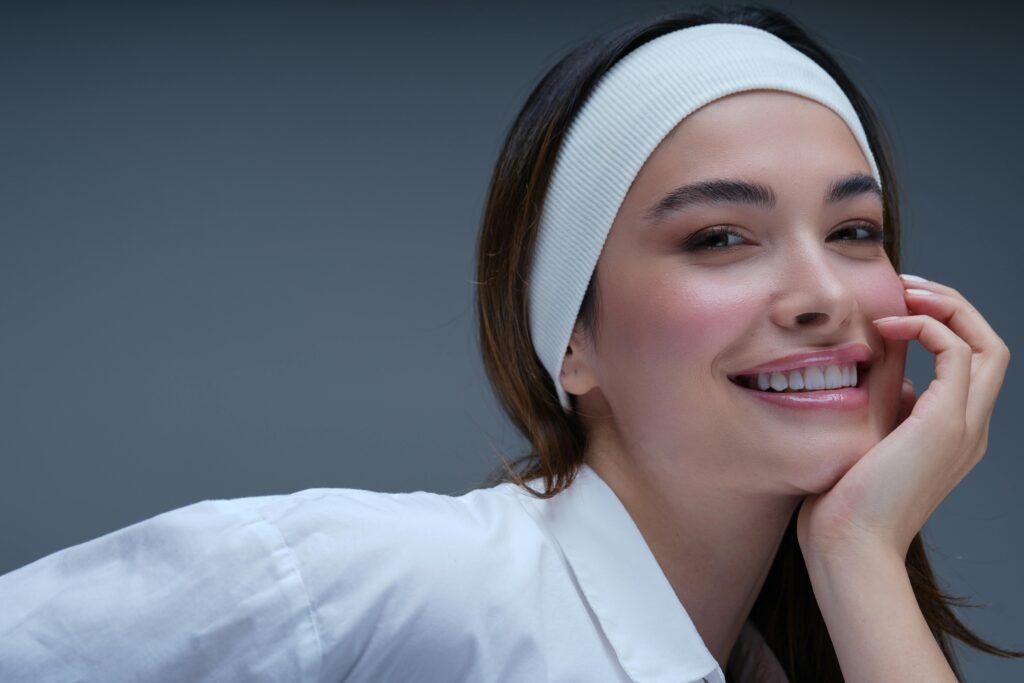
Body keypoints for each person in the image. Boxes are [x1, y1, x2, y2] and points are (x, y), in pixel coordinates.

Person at [0, 5, 1019, 682]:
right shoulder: (391, 580)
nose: (820, 295)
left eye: (853, 233)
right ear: (570, 339)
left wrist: (856, 552)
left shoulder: (804, 644)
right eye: (719, 236)